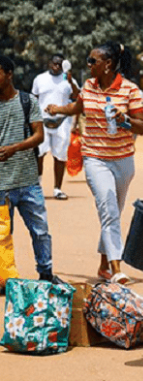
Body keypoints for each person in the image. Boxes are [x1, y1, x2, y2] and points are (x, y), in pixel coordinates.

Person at [46, 41, 143, 285]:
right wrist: (57, 109)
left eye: (93, 61)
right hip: (95, 158)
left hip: (123, 161)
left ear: (108, 64)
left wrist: (124, 119)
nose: (88, 65)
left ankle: (103, 265)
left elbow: (142, 127)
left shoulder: (130, 90)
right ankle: (116, 267)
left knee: (112, 211)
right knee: (109, 209)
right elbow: (78, 107)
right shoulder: (88, 87)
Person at [0, 55, 63, 284]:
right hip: (1, 185)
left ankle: (45, 273)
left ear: (8, 74)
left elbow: (39, 135)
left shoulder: (27, 101)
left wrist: (15, 148)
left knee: (40, 231)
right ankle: (4, 279)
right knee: (2, 237)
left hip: (28, 182)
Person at [31, 53, 80, 200]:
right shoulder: (40, 79)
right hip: (42, 122)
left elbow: (77, 97)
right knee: (39, 154)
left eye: (59, 64)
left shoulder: (68, 80)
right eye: (54, 63)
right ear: (49, 63)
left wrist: (71, 82)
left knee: (60, 156)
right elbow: (34, 99)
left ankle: (57, 189)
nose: (56, 66)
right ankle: (37, 187)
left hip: (62, 122)